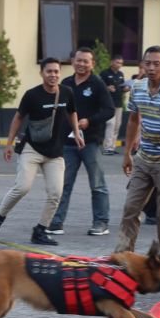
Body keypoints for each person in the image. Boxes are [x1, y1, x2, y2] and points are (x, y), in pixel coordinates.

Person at [0, 58, 83, 246]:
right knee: (22, 187)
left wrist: (77, 133)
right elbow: (18, 117)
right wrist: (9, 144)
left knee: (56, 193)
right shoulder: (32, 95)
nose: (53, 75)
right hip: (32, 149)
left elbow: (72, 112)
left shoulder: (67, 93)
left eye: (56, 71)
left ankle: (40, 230)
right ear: (41, 73)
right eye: (49, 71)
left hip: (55, 153)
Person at [116, 46, 160, 261]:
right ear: (142, 65)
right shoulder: (137, 88)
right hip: (143, 158)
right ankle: (122, 258)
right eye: (148, 63)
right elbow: (134, 120)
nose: (152, 67)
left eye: (157, 63)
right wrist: (127, 153)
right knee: (130, 209)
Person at [47, 48, 114, 237]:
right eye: (79, 60)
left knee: (97, 184)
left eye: (86, 61)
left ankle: (101, 222)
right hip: (67, 144)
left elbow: (109, 110)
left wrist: (89, 121)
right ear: (72, 61)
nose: (82, 64)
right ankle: (56, 222)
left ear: (92, 64)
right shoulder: (66, 83)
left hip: (90, 142)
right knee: (63, 184)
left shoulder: (98, 84)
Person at [100, 55, 128, 155]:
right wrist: (107, 88)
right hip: (108, 103)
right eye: (117, 62)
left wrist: (126, 89)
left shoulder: (121, 74)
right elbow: (99, 86)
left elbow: (123, 87)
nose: (119, 65)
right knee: (110, 125)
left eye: (121, 63)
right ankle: (107, 147)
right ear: (112, 62)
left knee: (117, 125)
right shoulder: (104, 73)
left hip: (119, 103)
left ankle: (112, 147)